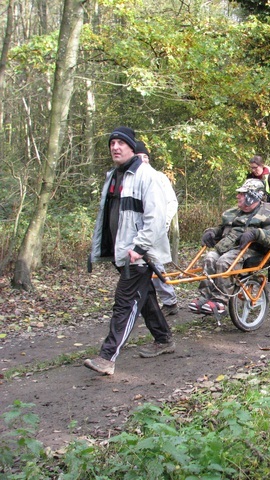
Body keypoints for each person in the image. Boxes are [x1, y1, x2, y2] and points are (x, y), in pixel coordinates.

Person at [85, 127, 174, 376]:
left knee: (124, 303)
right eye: (112, 143)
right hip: (122, 253)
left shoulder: (147, 176)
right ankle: (164, 339)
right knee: (144, 299)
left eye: (120, 143)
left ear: (131, 147)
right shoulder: (114, 176)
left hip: (138, 255)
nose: (115, 147)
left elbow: (155, 217)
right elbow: (108, 217)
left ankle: (107, 357)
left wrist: (139, 248)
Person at [189, 178, 270, 315]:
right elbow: (222, 228)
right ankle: (205, 296)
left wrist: (255, 233)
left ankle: (220, 301)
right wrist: (211, 232)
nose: (238, 196)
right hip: (229, 248)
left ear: (253, 196)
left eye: (242, 193)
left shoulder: (269, 213)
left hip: (253, 251)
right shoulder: (234, 212)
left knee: (224, 262)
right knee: (210, 257)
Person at [135, 141, 180, 316]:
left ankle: (169, 301)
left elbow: (171, 202)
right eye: (139, 157)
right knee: (137, 268)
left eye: (145, 157)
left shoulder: (158, 177)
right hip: (136, 231)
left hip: (154, 230)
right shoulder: (131, 178)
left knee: (154, 265)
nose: (143, 160)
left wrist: (163, 223)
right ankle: (140, 303)